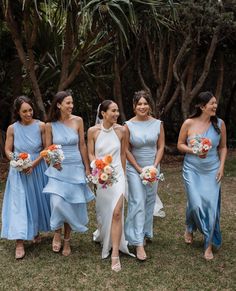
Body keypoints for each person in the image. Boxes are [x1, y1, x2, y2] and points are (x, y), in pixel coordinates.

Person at [43, 91, 94, 256]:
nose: (71, 106)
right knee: (57, 202)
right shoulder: (49, 125)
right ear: (59, 105)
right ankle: (56, 232)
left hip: (76, 167)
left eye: (72, 103)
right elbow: (47, 149)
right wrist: (52, 162)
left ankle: (67, 240)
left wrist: (87, 168)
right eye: (68, 103)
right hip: (58, 169)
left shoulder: (78, 120)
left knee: (72, 203)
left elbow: (82, 145)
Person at [177, 91, 227, 260]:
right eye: (212, 103)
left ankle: (208, 244)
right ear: (202, 106)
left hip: (212, 169)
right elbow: (179, 145)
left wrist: (221, 166)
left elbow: (223, 147)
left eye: (215, 103)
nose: (215, 106)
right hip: (191, 169)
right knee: (196, 204)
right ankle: (190, 225)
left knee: (211, 208)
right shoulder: (188, 123)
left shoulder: (219, 124)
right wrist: (193, 150)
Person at [1, 96, 51, 259]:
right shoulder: (12, 128)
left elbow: (46, 149)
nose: (28, 113)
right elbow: (7, 150)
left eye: (30, 110)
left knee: (35, 200)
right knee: (19, 204)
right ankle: (20, 242)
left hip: (37, 167)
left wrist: (33, 164)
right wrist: (17, 161)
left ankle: (35, 231)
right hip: (19, 171)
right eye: (24, 111)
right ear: (17, 112)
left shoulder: (41, 126)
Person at [87, 100, 133, 272]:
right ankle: (104, 235)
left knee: (116, 212)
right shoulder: (92, 131)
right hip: (101, 176)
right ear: (103, 113)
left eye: (117, 111)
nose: (116, 114)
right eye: (113, 111)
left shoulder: (122, 130)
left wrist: (123, 176)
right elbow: (91, 153)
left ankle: (115, 253)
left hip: (118, 175)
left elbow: (123, 154)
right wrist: (97, 167)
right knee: (104, 212)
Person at [124, 90, 165, 260]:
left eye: (145, 103)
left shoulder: (158, 124)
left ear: (149, 105)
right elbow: (126, 149)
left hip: (153, 167)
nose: (142, 106)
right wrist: (140, 169)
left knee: (149, 200)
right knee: (137, 201)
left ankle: (145, 232)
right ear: (134, 107)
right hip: (134, 168)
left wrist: (154, 167)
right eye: (139, 104)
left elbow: (161, 146)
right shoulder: (128, 125)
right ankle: (138, 242)